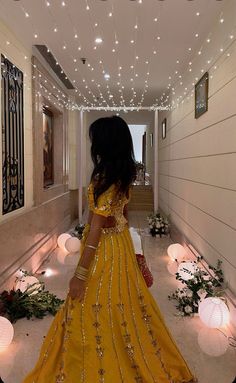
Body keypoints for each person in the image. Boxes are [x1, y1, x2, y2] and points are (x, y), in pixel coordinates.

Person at [23, 116, 196, 383]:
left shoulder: (105, 176)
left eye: (95, 139)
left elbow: (96, 226)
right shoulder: (122, 173)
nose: (92, 144)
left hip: (105, 247)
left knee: (91, 296)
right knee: (123, 299)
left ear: (105, 142)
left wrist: (80, 274)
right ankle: (121, 340)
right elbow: (123, 214)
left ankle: (107, 349)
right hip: (121, 245)